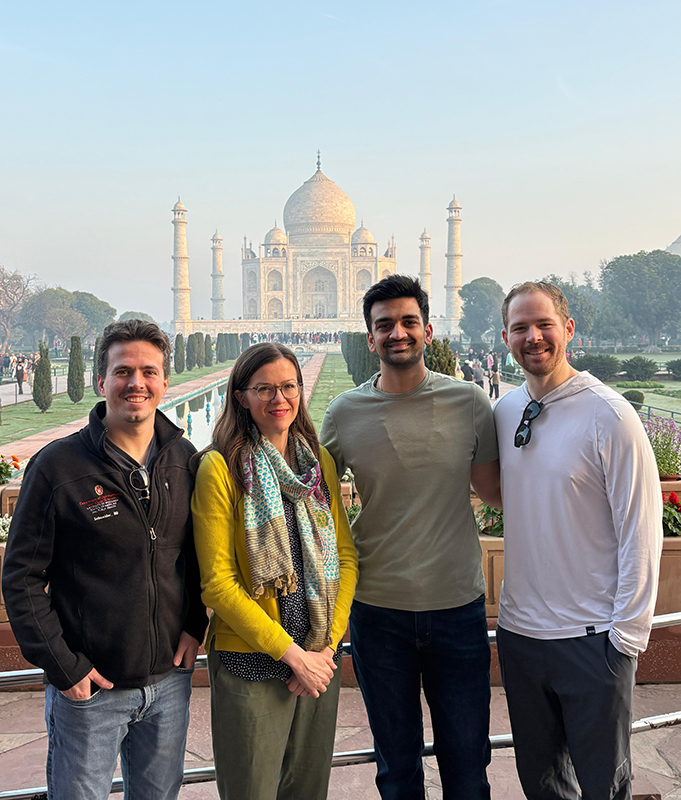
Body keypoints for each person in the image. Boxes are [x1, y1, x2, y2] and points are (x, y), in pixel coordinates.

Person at [2, 319, 207, 800]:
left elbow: (197, 558)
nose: (136, 383)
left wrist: (194, 625)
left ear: (164, 382)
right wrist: (64, 667)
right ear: (101, 381)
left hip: (167, 685)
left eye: (149, 371)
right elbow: (22, 577)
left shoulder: (183, 459)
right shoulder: (58, 467)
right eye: (123, 371)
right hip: (90, 690)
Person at [321, 275, 501, 799]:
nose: (397, 333)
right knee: (396, 768)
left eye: (407, 322)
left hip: (457, 607)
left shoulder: (469, 402)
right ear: (369, 337)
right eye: (384, 326)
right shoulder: (344, 413)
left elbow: (495, 491)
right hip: (378, 610)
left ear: (426, 328)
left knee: (467, 765)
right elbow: (311, 498)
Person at [494, 282, 663, 800]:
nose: (533, 337)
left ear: (568, 329)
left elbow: (642, 530)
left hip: (592, 638)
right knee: (542, 783)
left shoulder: (609, 416)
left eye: (544, 324)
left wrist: (626, 640)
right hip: (522, 636)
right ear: (505, 337)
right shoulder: (505, 411)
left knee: (603, 785)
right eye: (520, 328)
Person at [192, 342, 358, 800]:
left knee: (307, 791)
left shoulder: (317, 461)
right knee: (252, 791)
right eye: (263, 388)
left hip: (319, 656)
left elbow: (345, 556)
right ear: (241, 395)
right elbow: (219, 585)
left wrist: (325, 647)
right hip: (254, 660)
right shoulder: (221, 467)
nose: (278, 398)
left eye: (288, 386)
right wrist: (293, 656)